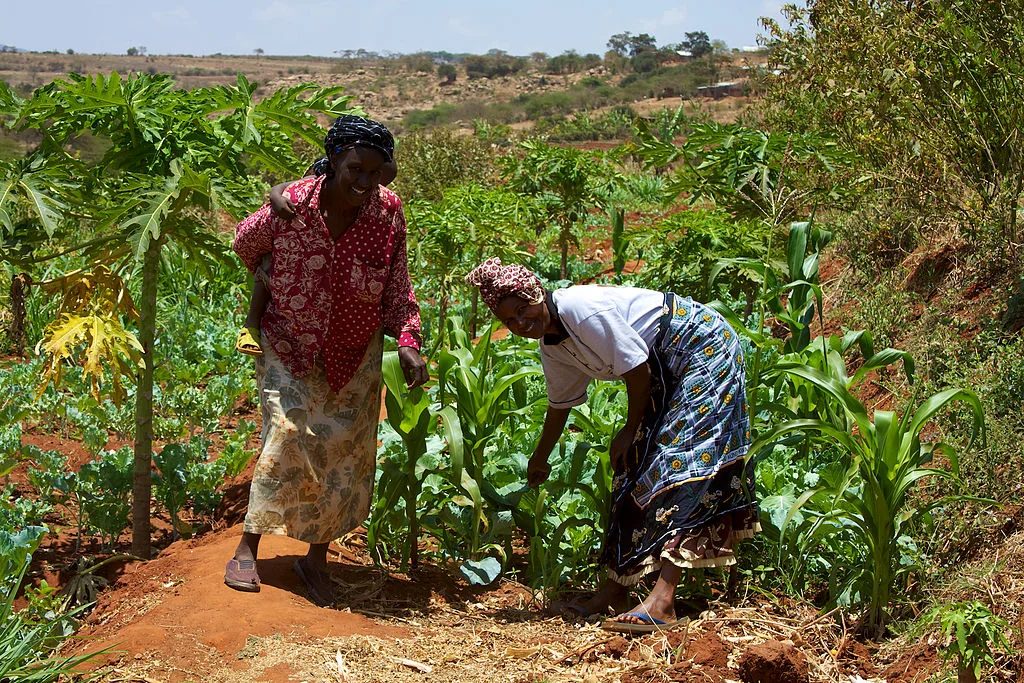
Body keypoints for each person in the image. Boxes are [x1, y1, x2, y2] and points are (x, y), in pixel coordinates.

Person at [465, 257, 759, 634]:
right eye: (510, 321)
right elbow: (560, 406)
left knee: (684, 463)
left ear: (536, 293)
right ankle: (615, 591)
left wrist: (628, 429)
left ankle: (663, 601)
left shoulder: (580, 310)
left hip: (702, 347)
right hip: (663, 366)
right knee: (630, 467)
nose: (521, 324)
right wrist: (539, 458)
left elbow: (638, 373)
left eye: (523, 310)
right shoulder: (552, 344)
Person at [225, 115, 428, 607]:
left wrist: (407, 339)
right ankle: (247, 547)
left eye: (376, 173)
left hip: (354, 350)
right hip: (290, 342)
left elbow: (398, 283)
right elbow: (243, 242)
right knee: (287, 430)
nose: (364, 183)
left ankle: (316, 559)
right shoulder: (293, 205)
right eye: (356, 169)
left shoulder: (389, 214)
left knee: (343, 452)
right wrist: (271, 272)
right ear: (335, 159)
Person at [235, 158, 398, 356]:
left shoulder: (375, 208)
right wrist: (277, 198)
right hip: (292, 234)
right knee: (269, 269)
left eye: (378, 182)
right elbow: (281, 188)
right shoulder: (316, 185)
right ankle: (250, 325)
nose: (368, 186)